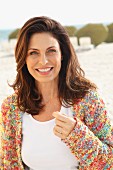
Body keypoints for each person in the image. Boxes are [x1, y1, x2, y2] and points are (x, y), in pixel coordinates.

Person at [0, 16, 113, 170]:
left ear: (63, 54)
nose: (43, 61)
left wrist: (78, 135)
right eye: (34, 53)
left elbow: (110, 163)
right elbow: (7, 164)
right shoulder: (11, 107)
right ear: (24, 58)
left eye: (51, 51)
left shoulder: (88, 100)